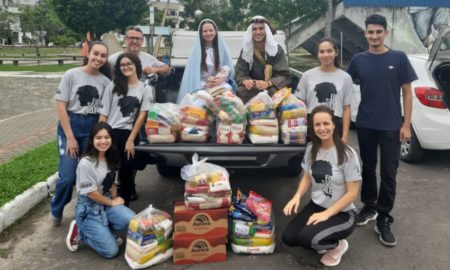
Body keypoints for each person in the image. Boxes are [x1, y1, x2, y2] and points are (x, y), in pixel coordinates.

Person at [347, 14, 417, 247]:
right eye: (370, 32)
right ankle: (369, 207)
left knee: (389, 173)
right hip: (366, 124)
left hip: (391, 126)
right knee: (367, 169)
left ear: (385, 33)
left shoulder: (398, 58)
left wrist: (406, 124)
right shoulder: (358, 60)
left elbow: (407, 92)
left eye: (379, 32)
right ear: (365, 34)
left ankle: (384, 217)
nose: (374, 36)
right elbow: (346, 85)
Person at [282, 105, 361, 267]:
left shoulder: (347, 153)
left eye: (326, 123)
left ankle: (338, 245)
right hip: (316, 206)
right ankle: (319, 237)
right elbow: (306, 178)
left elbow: (353, 193)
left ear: (334, 125)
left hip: (343, 213)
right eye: (317, 125)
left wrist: (326, 214)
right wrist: (296, 196)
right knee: (289, 238)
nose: (322, 128)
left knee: (307, 239)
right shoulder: (311, 148)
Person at [51, 41, 112, 226]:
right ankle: (56, 209)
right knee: (68, 177)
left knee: (90, 176)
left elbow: (104, 111)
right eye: (96, 53)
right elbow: (61, 105)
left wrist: (100, 137)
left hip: (91, 129)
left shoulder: (105, 82)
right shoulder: (71, 74)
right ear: (88, 53)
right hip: (70, 126)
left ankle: (87, 213)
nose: (98, 58)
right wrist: (70, 137)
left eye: (103, 56)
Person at [65, 122, 135, 258]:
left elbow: (113, 183)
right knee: (111, 251)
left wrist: (115, 199)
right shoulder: (85, 163)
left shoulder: (112, 158)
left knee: (132, 220)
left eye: (107, 137)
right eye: (98, 138)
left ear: (112, 139)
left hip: (106, 203)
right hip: (89, 209)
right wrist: (112, 203)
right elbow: (91, 194)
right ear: (92, 140)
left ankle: (104, 231)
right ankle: (81, 231)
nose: (103, 141)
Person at [99, 52, 153, 206]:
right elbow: (103, 114)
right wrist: (100, 135)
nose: (126, 67)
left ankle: (125, 207)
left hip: (129, 134)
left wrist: (130, 140)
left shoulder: (144, 89)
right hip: (110, 132)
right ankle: (106, 205)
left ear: (136, 65)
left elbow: (142, 116)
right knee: (109, 171)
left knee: (126, 171)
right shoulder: (113, 86)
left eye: (129, 64)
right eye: (122, 65)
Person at [296, 37, 353, 142]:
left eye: (329, 51)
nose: (326, 55)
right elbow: (300, 105)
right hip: (312, 125)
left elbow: (346, 109)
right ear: (317, 54)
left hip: (335, 125)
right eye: (322, 52)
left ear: (336, 52)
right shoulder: (307, 76)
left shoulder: (346, 78)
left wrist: (345, 137)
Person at [235, 15, 291, 104]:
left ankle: (274, 117)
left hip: (272, 86)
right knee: (241, 91)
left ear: (266, 30)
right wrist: (245, 81)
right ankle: (249, 116)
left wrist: (268, 83)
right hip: (253, 88)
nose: (258, 32)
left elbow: (285, 75)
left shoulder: (277, 49)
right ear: (250, 31)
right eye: (254, 29)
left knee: (275, 94)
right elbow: (240, 73)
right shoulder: (246, 51)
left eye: (261, 28)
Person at [177, 19, 235, 103]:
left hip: (219, 84)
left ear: (215, 31)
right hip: (202, 86)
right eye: (205, 31)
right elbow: (193, 76)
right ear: (201, 34)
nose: (208, 33)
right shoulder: (195, 52)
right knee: (201, 101)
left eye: (211, 30)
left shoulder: (222, 49)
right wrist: (205, 85)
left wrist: (220, 79)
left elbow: (228, 69)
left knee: (227, 93)